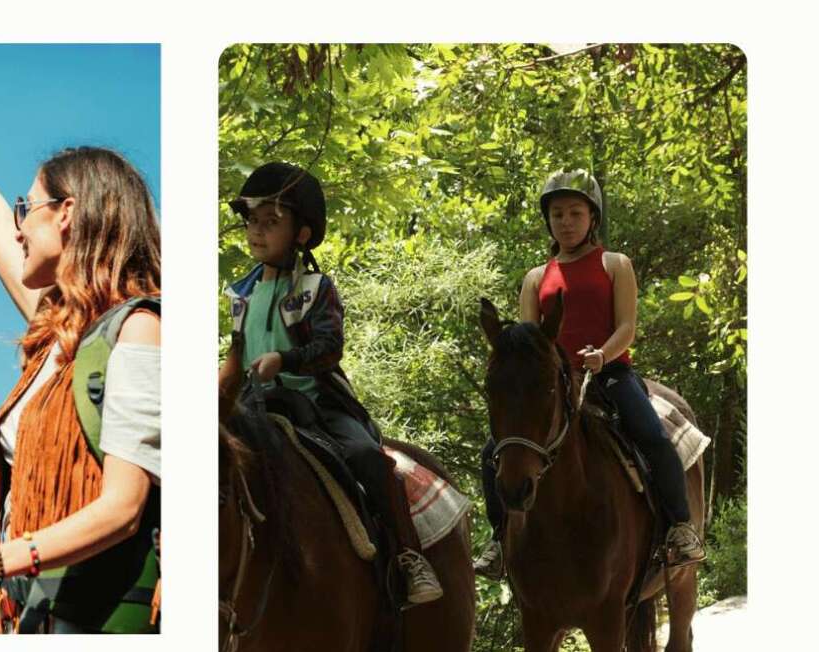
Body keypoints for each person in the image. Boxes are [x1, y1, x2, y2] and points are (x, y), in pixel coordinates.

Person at [0, 75, 162, 634]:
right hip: (37, 608)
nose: (19, 224)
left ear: (67, 213)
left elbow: (125, 508)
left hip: (101, 618)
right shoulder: (59, 331)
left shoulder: (140, 330)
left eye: (27, 205)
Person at [223, 162, 443, 608]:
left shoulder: (315, 286)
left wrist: (284, 359)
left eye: (271, 222)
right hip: (254, 404)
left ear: (301, 233)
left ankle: (408, 555)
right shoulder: (240, 292)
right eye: (251, 221)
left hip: (315, 400)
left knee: (366, 455)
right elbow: (237, 353)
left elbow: (329, 347)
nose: (256, 232)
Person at [475, 170, 706, 580]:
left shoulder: (614, 264)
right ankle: (499, 541)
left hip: (610, 373)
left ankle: (679, 528)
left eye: (575, 213)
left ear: (592, 218)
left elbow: (627, 327)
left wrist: (603, 354)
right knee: (492, 449)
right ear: (548, 220)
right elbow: (531, 343)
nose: (566, 221)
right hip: (553, 384)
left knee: (652, 436)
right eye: (558, 213)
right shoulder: (535, 278)